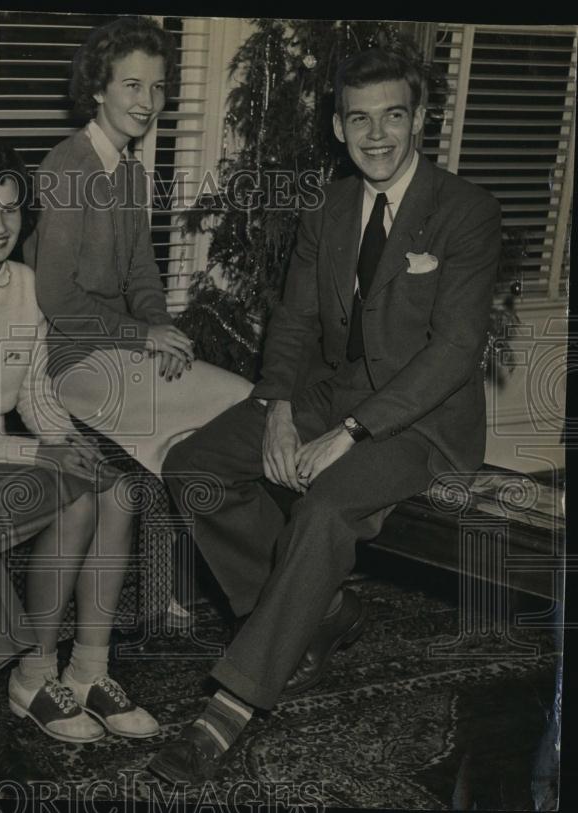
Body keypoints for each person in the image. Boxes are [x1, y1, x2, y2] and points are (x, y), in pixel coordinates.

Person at [146, 47, 502, 784]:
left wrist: (352, 432)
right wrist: (277, 408)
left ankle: (233, 705)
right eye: (360, 119)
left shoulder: (464, 211)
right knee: (195, 466)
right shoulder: (328, 207)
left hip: (424, 421)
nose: (378, 136)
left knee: (324, 510)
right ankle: (316, 608)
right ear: (339, 128)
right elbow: (294, 321)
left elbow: (456, 351)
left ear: (420, 121)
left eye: (394, 117)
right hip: (329, 396)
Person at [0, 145, 160, 761]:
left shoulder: (25, 285)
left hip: (3, 448)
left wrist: (68, 443)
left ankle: (88, 670)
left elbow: (37, 390)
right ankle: (33, 675)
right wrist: (41, 454)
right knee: (73, 501)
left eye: (11, 211)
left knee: (117, 489)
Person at [23, 16, 253, 479]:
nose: (148, 102)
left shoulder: (129, 172)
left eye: (157, 87)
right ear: (97, 89)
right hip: (70, 361)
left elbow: (143, 274)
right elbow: (56, 297)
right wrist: (143, 336)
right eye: (132, 85)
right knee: (243, 406)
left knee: (230, 421)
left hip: (118, 348)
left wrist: (161, 331)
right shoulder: (68, 168)